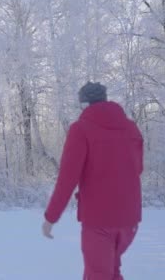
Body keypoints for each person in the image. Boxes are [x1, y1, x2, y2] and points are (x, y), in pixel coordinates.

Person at [42, 82, 143, 280]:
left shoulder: (81, 129)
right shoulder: (131, 128)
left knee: (98, 275)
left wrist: (50, 217)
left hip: (99, 221)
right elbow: (137, 168)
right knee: (111, 272)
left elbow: (67, 179)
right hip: (130, 220)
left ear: (85, 104)